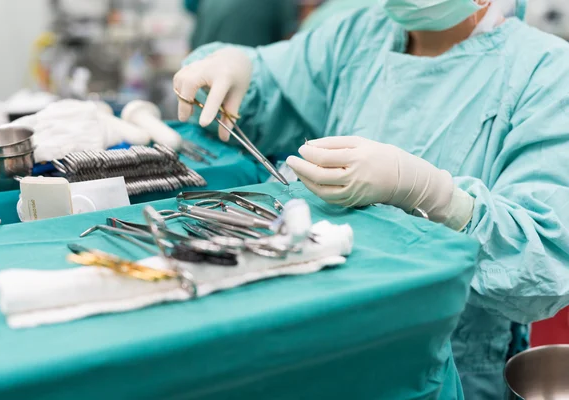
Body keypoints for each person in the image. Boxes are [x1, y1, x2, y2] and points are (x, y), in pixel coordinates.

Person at [173, 0, 569, 398]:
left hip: (449, 364)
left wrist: (433, 194)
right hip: (325, 338)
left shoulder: (546, 71)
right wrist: (235, 67)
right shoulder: (359, 34)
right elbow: (271, 81)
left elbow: (545, 260)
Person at [184, 0, 299, 50]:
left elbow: (191, 48)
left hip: (203, 86)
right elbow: (290, 46)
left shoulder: (208, 3)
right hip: (248, 87)